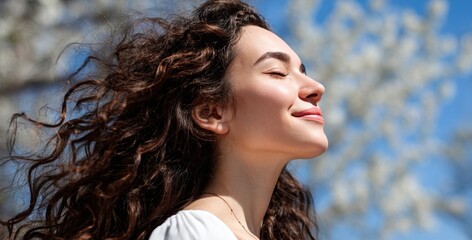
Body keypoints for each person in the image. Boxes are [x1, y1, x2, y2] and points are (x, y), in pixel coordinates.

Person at [1, 0, 328, 239]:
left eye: (303, 72)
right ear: (211, 112)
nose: (316, 88)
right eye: (277, 72)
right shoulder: (196, 232)